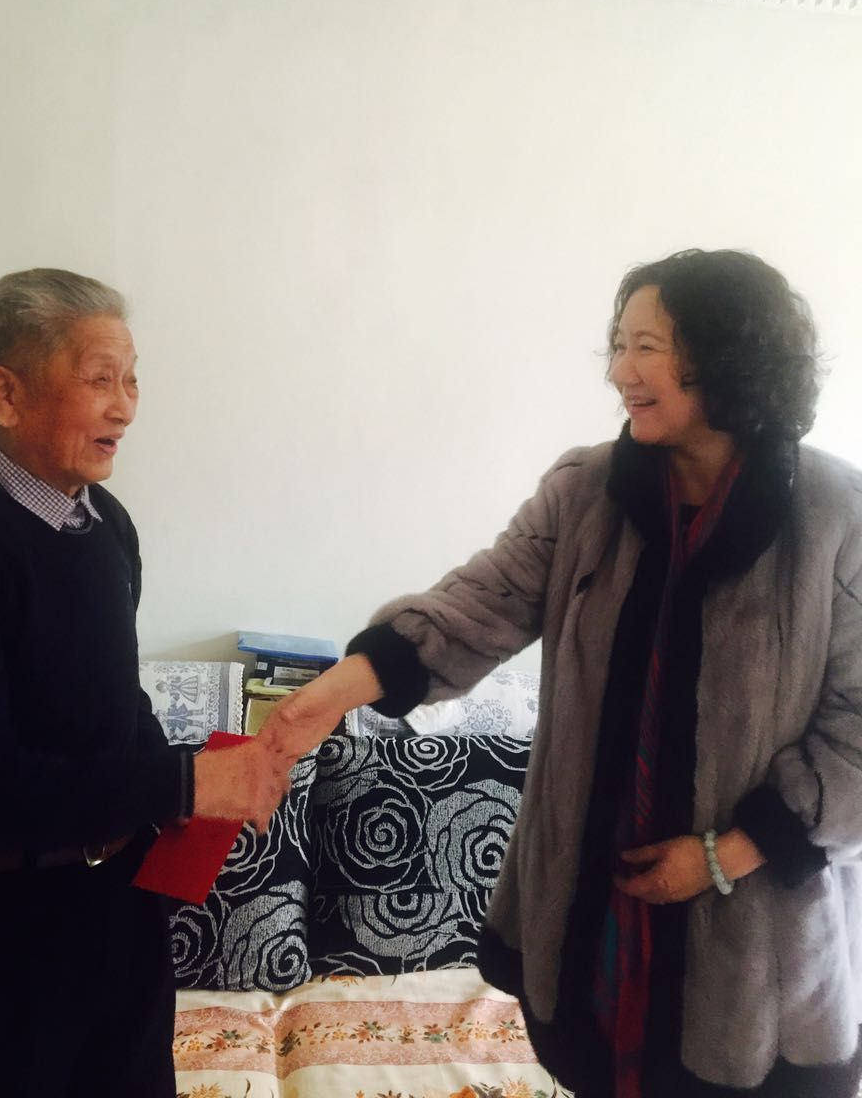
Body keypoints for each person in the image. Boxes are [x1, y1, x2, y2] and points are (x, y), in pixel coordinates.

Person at [260, 248, 862, 1098]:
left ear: (727, 355)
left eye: (646, 347)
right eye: (617, 346)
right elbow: (479, 603)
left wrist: (724, 855)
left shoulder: (835, 516)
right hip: (594, 913)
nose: (620, 373)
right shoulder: (586, 491)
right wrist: (324, 697)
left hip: (758, 950)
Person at [0, 268, 291, 1097]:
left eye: (132, 379)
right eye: (99, 379)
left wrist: (183, 801)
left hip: (117, 919)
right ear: (6, 394)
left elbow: (115, 698)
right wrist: (182, 781)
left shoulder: (107, 523)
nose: (125, 408)